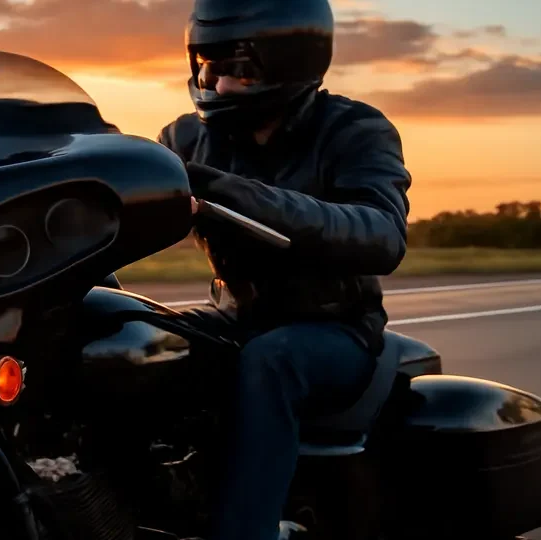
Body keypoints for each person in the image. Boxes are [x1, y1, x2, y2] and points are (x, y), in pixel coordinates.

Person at [155, 1, 412, 539]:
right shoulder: (184, 139)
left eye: (240, 69)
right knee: (126, 335)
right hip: (236, 319)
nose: (220, 86)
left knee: (272, 360)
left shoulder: (355, 129)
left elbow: (382, 233)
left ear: (296, 62)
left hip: (336, 331)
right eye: (210, 67)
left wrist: (230, 193)